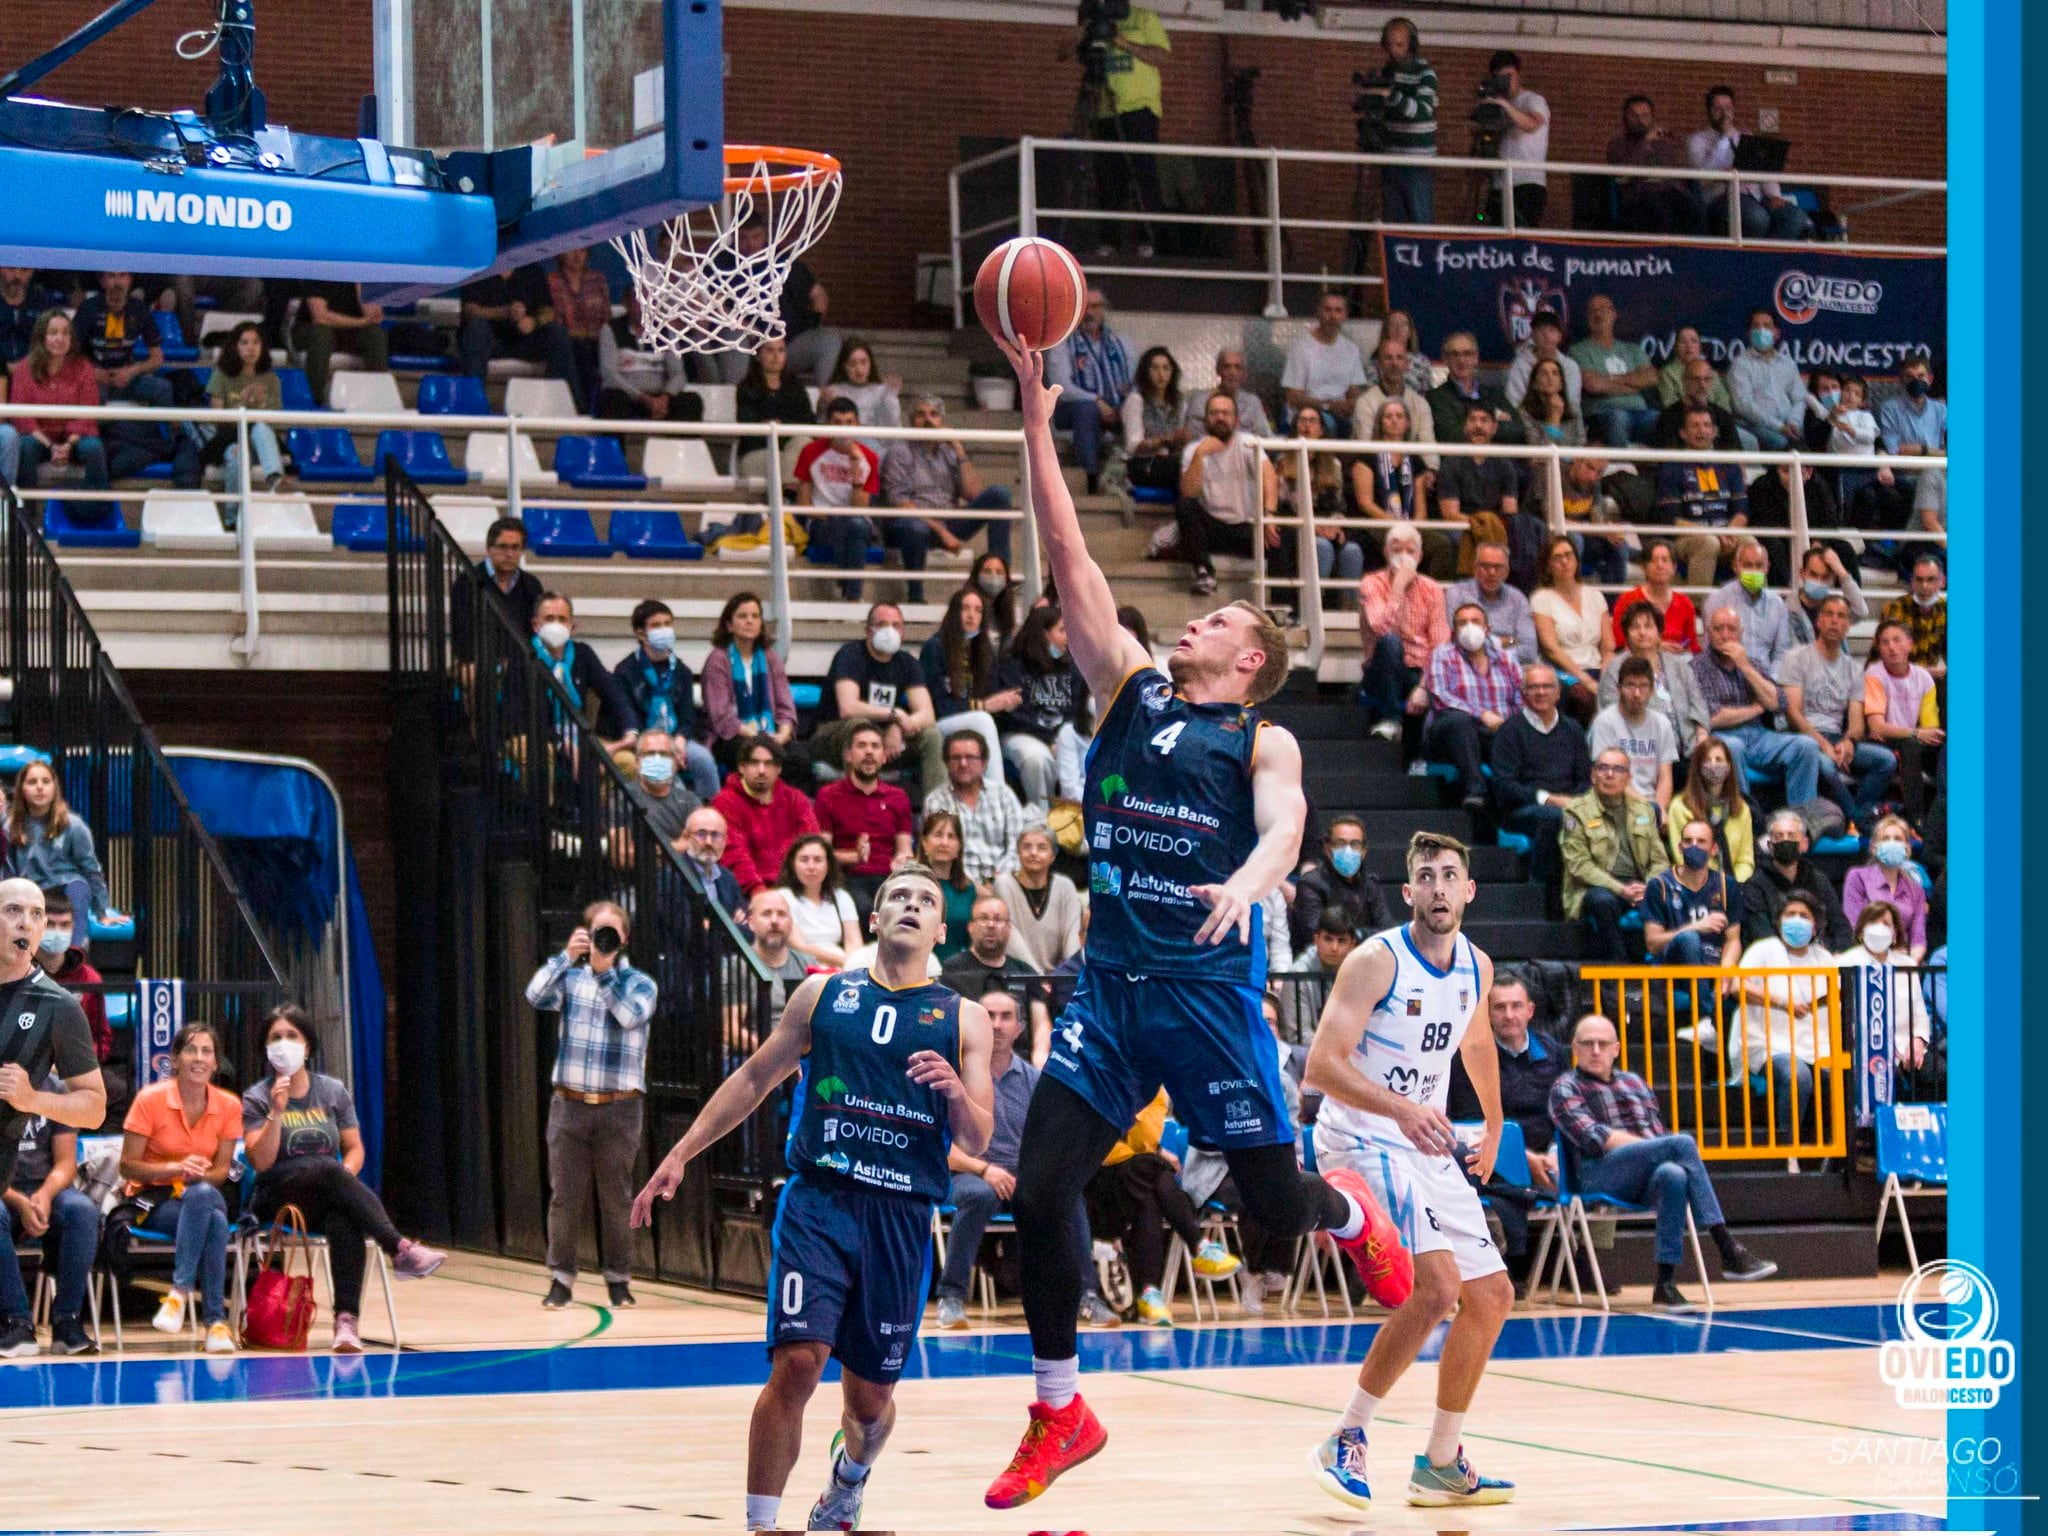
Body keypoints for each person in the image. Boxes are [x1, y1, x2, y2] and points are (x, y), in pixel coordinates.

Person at [986, 328, 1365, 1510]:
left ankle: (1348, 1208)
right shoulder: (1128, 692)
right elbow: (1067, 559)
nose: (1185, 626)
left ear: (1248, 657)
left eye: (1213, 625)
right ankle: (1059, 1408)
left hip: (1208, 1001)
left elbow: (1286, 826)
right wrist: (1038, 424)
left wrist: (1249, 887)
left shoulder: (1261, 734)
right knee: (1038, 1191)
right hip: (1109, 997)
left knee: (1274, 1221)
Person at [631, 866, 995, 1535]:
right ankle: (760, 1525)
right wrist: (680, 1153)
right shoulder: (821, 996)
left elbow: (980, 1133)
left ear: (942, 929)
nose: (910, 906)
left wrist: (953, 1093)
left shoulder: (963, 1018)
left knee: (869, 1403)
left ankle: (847, 1484)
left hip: (901, 1216)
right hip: (821, 1201)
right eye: (896, 898)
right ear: (876, 920)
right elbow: (754, 1076)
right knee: (798, 1363)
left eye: (924, 901)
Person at [1306, 831, 1515, 1510]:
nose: (1437, 888)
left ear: (1468, 890)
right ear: (1408, 892)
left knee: (1491, 1297)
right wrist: (1401, 1108)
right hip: (1361, 1134)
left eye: (1449, 875)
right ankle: (1347, 1436)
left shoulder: (1477, 967)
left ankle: (1441, 1460)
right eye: (1425, 876)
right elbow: (1321, 1067)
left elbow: (1477, 1041)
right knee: (1435, 1288)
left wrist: (1493, 1123)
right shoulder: (1375, 961)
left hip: (1423, 1139)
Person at [240, 1006, 444, 1352]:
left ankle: (346, 1322)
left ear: (308, 1045)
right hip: (277, 1197)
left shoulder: (332, 1091)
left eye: (292, 1036)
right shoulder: (256, 1097)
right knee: (325, 1167)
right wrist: (276, 1110)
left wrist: (341, 1176)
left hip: (324, 1192)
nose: (284, 1043)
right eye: (276, 1037)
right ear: (265, 1048)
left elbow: (354, 1149)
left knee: (344, 1216)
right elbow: (260, 1161)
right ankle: (399, 1248)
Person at [1550, 1014, 1777, 1311]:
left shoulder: (1634, 1082)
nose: (1595, 1050)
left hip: (1643, 1176)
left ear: (1616, 1048)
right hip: (1598, 1174)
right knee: (1680, 1143)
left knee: (1673, 1174)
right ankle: (1727, 1246)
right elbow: (1596, 1139)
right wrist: (1658, 1148)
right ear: (1574, 1048)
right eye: (1587, 1043)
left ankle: (1665, 1285)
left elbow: (1656, 1134)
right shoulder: (1566, 1087)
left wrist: (1658, 1148)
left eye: (1603, 1044)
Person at [937, 986, 1111, 1330]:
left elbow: (1051, 1142)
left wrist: (1037, 1174)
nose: (997, 1025)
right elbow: (938, 1148)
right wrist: (985, 1170)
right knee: (979, 1194)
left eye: (1006, 1017)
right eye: (989, 1016)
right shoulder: (952, 1078)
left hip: (1022, 1175)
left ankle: (1087, 1295)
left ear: (1020, 1028)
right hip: (966, 1173)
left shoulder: (1036, 1081)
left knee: (1067, 1194)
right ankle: (950, 1296)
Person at [526, 901, 659, 1310]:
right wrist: (566, 957)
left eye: (611, 933)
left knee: (616, 1196)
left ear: (624, 939)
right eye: (596, 931)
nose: (604, 940)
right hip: (569, 1104)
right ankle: (561, 1280)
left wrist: (604, 976)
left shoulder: (640, 983)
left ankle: (619, 1280)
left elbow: (628, 1016)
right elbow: (534, 995)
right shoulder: (570, 977)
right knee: (564, 1196)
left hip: (620, 1107)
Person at [121, 1022, 240, 1350]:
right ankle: (214, 1322)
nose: (198, 1058)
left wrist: (197, 1176)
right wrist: (177, 1167)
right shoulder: (150, 1099)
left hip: (201, 1194)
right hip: (153, 1200)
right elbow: (127, 1166)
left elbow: (221, 1172)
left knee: (205, 1198)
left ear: (215, 1063)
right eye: (190, 1050)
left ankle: (179, 1295)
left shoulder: (229, 1106)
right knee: (214, 1220)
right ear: (174, 1060)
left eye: (206, 1051)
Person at [1085, 1088, 1242, 1326]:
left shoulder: (1156, 1090)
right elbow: (1100, 1147)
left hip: (1133, 1181)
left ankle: (1149, 1293)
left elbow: (1145, 1140)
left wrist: (1134, 1123)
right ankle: (1197, 1246)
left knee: (1149, 1192)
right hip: (1092, 1186)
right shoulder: (1104, 1076)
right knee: (1154, 1169)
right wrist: (1147, 1149)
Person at [0, 878, 106, 1206]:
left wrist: (32, 1099)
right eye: (13, 910)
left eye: (36, 914)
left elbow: (94, 1109)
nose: (24, 922)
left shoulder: (58, 1006)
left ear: (43, 928)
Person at [0, 1062, 102, 1357]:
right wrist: (20, 1201)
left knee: (81, 1210)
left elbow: (66, 1162)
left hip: (46, 1191)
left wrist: (44, 1195)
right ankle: (16, 1322)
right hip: (5, 1192)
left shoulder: (55, 1088)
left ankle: (67, 1322)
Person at [1777, 596, 1897, 831]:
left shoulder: (1853, 668)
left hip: (1835, 737)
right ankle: (1861, 820)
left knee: (1887, 760)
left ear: (1848, 625)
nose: (1834, 621)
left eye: (1841, 616)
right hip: (1802, 738)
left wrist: (1849, 741)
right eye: (1829, 614)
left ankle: (1855, 815)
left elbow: (1856, 722)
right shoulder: (1796, 658)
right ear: (1818, 622)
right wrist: (1823, 744)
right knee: (1825, 764)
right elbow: (1792, 714)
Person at [880, 395, 1013, 598]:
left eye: (934, 415)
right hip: (911, 525)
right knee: (913, 527)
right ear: (911, 421)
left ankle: (1000, 577)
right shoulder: (899, 452)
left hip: (949, 523)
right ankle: (915, 596)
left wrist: (959, 449)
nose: (928, 420)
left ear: (941, 421)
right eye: (921, 415)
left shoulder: (949, 452)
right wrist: (942, 532)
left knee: (999, 495)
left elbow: (973, 494)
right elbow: (899, 502)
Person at [1693, 603, 1821, 808]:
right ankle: (1745, 815)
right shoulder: (1697, 667)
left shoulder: (1752, 662)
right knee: (1731, 747)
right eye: (1718, 629)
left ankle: (1803, 819)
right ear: (1708, 633)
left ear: (1741, 634)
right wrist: (1757, 708)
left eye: (1731, 629)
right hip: (1722, 736)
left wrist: (1745, 666)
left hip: (1759, 735)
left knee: (1806, 746)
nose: (1725, 635)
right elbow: (1714, 717)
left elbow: (1777, 702)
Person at [811, 602, 942, 793]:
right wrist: (893, 716)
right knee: (859, 726)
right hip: (833, 737)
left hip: (884, 741)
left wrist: (898, 726)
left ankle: (938, 814)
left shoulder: (907, 662)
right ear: (868, 631)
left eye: (896, 625)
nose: (890, 631)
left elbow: (927, 715)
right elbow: (848, 708)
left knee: (931, 736)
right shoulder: (850, 654)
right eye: (882, 624)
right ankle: (856, 807)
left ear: (903, 632)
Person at [1734, 894, 1834, 1141]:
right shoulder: (1763, 950)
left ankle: (1837, 1155)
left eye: (1804, 916)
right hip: (1768, 1045)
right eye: (1790, 915)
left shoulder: (1824, 958)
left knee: (1845, 1078)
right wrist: (1782, 1003)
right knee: (1797, 1074)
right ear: (1778, 922)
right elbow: (1739, 987)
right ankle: (1788, 1148)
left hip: (1817, 1047)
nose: (1797, 921)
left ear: (1815, 926)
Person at [1489, 664, 1590, 902]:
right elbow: (1504, 786)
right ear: (1522, 694)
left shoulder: (1573, 730)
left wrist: (1574, 802)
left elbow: (1585, 778)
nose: (1541, 692)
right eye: (1533, 687)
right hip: (1523, 809)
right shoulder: (1510, 731)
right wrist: (1548, 799)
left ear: (1558, 693)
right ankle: (1542, 898)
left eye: (1547, 686)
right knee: (1554, 818)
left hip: (1571, 805)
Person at [1561, 748, 1670, 961]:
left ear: (1628, 778)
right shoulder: (1575, 811)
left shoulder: (1644, 810)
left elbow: (1659, 860)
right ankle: (1622, 971)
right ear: (1593, 775)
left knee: (1671, 895)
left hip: (1639, 884)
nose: (1609, 774)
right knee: (1604, 902)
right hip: (1595, 886)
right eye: (1603, 768)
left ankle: (1667, 973)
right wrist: (1621, 890)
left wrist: (1649, 886)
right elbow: (1579, 865)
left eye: (1618, 769)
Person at [1086, 2, 1172, 256]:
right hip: (1105, 109)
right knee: (1108, 177)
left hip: (1140, 109)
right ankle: (1108, 242)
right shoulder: (1093, 17)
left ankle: (1149, 241)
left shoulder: (1143, 17)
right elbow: (1062, 52)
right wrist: (1084, 31)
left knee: (1143, 174)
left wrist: (1123, 42)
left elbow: (1162, 57)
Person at [611, 600, 720, 800]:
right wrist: (661, 747)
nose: (664, 630)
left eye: (668, 624)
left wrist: (678, 741)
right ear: (641, 634)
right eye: (656, 625)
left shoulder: (682, 671)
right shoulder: (625, 671)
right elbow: (627, 717)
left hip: (677, 737)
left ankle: (711, 811)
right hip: (641, 739)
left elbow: (687, 717)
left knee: (703, 760)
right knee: (664, 769)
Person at [1176, 390, 1279, 598]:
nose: (1220, 418)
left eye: (1226, 413)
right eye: (1214, 413)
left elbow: (1269, 476)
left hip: (1246, 527)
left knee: (1283, 538)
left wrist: (1269, 515)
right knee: (1184, 505)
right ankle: (1205, 574)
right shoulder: (1194, 449)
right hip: (1211, 528)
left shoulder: (1248, 442)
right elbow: (1188, 492)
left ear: (1236, 419)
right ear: (1206, 419)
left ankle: (1285, 607)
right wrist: (1200, 455)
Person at [1426, 603, 1525, 815]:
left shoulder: (1506, 659)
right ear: (1454, 631)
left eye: (1475, 621)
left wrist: (1507, 724)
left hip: (1499, 730)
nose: (1469, 627)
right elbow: (1440, 696)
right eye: (1463, 623)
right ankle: (1475, 790)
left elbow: (1521, 696)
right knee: (1458, 721)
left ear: (1487, 629)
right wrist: (1482, 714)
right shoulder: (1443, 654)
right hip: (1453, 732)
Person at [1358, 523, 1448, 742]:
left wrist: (1424, 686)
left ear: (1420, 555)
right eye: (1397, 550)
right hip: (1380, 670)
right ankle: (1390, 720)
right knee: (1390, 642)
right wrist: (1397, 588)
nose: (1404, 556)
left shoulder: (1432, 589)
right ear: (1386, 552)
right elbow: (1381, 628)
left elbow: (1440, 644)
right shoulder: (1371, 584)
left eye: (1410, 551)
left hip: (1417, 672)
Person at [1686, 86, 1812, 241]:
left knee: (1795, 218)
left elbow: (1764, 170)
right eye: (1718, 108)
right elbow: (1701, 179)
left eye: (1728, 108)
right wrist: (1725, 138)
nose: (1724, 113)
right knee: (1758, 219)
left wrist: (1774, 195)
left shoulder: (1745, 137)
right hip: (1721, 200)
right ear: (1709, 111)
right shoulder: (1697, 140)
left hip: (1755, 196)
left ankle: (1766, 260)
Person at [992, 604, 1087, 809]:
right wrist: (1050, 739)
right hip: (1022, 735)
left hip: (1061, 737)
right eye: (1062, 631)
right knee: (1037, 759)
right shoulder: (1013, 665)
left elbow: (1078, 711)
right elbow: (1015, 715)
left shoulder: (1072, 667)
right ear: (1044, 634)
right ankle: (1043, 823)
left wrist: (1063, 740)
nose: (1067, 638)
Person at [816, 724, 916, 916]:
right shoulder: (828, 795)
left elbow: (904, 849)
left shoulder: (898, 797)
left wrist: (903, 861)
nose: (869, 751)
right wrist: (854, 856)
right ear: (848, 755)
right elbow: (822, 852)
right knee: (865, 908)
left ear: (884, 756)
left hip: (889, 876)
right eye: (862, 746)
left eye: (875, 746)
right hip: (847, 876)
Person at [9, 310, 110, 492]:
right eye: (53, 333)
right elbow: (22, 419)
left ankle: (97, 507)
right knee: (25, 445)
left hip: (72, 439)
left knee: (93, 447)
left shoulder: (84, 367)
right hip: (39, 438)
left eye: (65, 333)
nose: (60, 338)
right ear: (42, 337)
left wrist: (67, 445)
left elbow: (88, 415)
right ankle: (25, 513)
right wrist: (51, 446)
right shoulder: (24, 368)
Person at [1044, 289, 1132, 494]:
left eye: (1095, 307)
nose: (1089, 313)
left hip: (1115, 407)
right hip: (1071, 410)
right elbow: (1062, 387)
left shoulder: (1122, 343)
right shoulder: (1062, 342)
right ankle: (1090, 477)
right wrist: (1097, 401)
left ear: (1104, 311)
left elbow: (1135, 379)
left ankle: (1132, 475)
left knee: (1135, 402)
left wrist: (1122, 402)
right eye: (1084, 307)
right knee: (1087, 408)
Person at [1598, 601, 1711, 762]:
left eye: (1648, 626)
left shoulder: (1679, 665)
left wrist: (1701, 735)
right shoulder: (1615, 669)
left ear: (1659, 633)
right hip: (1641, 751)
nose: (1642, 632)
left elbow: (1698, 705)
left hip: (1687, 748)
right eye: (1635, 627)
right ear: (1627, 634)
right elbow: (1612, 715)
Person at [793, 397, 881, 601]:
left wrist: (856, 468)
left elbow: (860, 508)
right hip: (821, 522)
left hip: (856, 524)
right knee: (849, 523)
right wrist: (834, 516)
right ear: (828, 424)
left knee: (856, 524)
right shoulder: (810, 451)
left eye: (849, 422)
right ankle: (852, 595)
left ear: (857, 424)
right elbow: (804, 505)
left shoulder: (869, 457)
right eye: (837, 423)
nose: (843, 429)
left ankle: (850, 593)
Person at [1837, 899, 1933, 1082]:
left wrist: (1918, 1042)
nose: (1879, 928)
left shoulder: (1907, 965)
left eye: (1886, 924)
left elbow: (1920, 1013)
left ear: (1895, 934)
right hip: (1863, 1050)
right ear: (1861, 932)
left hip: (1905, 1045)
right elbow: (1840, 1015)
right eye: (1873, 922)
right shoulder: (1844, 964)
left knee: (1939, 1073)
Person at [1276, 405, 1366, 599]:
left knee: (1352, 550)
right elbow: (1283, 506)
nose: (1306, 426)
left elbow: (1339, 505)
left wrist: (1336, 524)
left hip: (1327, 527)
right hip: (1297, 528)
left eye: (1312, 421)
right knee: (1322, 547)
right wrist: (1314, 527)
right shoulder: (1283, 462)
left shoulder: (1333, 464)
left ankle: (1352, 613)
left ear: (1322, 429)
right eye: (1302, 420)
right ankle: (1315, 606)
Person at [702, 592, 798, 772]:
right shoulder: (718, 660)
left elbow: (786, 706)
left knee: (799, 758)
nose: (750, 621)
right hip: (731, 736)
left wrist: (783, 734)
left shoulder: (771, 658)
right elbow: (721, 716)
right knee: (751, 755)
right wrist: (758, 737)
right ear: (729, 625)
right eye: (742, 616)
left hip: (770, 734)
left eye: (755, 616)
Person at [204, 321, 287, 528]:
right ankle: (232, 519)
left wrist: (257, 407)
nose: (251, 348)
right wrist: (242, 404)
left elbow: (275, 424)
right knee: (236, 455)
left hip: (261, 443)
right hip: (231, 438)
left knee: (259, 426)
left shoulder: (271, 379)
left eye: (256, 342)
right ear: (235, 347)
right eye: (245, 342)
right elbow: (218, 421)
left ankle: (275, 477)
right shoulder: (221, 375)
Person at [711, 738, 818, 898]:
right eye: (754, 763)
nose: (762, 770)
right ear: (742, 767)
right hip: (748, 894)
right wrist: (759, 893)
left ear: (778, 768)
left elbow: (812, 845)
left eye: (768, 764)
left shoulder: (796, 799)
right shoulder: (725, 802)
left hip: (797, 889)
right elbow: (734, 856)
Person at [1655, 406, 1749, 588]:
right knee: (1709, 542)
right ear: (1683, 433)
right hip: (1686, 537)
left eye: (1706, 425)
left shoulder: (1729, 464)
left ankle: (1755, 604)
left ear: (1714, 432)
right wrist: (1713, 533)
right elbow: (1671, 519)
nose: (1702, 431)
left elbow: (1741, 512)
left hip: (1726, 532)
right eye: (1695, 426)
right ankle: (1699, 608)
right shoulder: (1672, 466)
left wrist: (1729, 531)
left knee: (1751, 545)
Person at [922, 730, 1028, 886]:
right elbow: (937, 853)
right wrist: (973, 887)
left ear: (984, 763)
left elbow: (1018, 845)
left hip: (1004, 882)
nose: (963, 764)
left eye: (970, 757)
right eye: (956, 758)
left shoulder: (1003, 795)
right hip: (957, 885)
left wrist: (998, 880)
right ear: (946, 763)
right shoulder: (936, 801)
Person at [1863, 619, 1943, 823]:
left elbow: (1930, 726)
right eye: (1885, 642)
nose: (1891, 647)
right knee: (1911, 746)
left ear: (1910, 644)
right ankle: (1917, 819)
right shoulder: (1874, 674)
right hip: (1882, 739)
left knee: (1945, 748)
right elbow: (1877, 726)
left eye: (1897, 640)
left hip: (1911, 738)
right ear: (1879, 648)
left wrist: (1926, 735)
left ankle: (1944, 816)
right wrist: (1916, 733)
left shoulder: (1924, 677)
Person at [456, 262, 578, 393]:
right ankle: (471, 399)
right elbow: (470, 311)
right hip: (490, 341)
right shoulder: (478, 269)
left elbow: (548, 310)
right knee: (477, 328)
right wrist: (504, 312)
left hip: (524, 340)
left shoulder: (531, 269)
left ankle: (568, 403)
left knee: (557, 332)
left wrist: (534, 322)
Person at [1361, 17, 1439, 224]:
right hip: (1391, 160)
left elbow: (1422, 111)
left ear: (1412, 44)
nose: (1394, 50)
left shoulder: (1425, 73)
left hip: (1417, 163)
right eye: (1389, 45)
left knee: (1420, 223)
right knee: (1393, 226)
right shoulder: (1387, 73)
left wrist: (1391, 95)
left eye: (1399, 44)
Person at [1742, 809, 1852, 953]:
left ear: (1804, 844)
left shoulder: (1819, 880)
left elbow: (1841, 927)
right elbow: (1761, 934)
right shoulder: (1755, 885)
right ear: (1770, 846)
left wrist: (1837, 954)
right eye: (1779, 836)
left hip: (1820, 960)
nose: (1785, 840)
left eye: (1791, 835)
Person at [1435, 411, 1525, 585]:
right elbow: (1450, 514)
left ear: (1494, 427)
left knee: (1519, 534)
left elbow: (1510, 511)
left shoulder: (1505, 465)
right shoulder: (1451, 463)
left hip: (1496, 523)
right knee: (1457, 539)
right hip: (1462, 523)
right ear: (1464, 426)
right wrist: (1482, 525)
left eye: (1484, 421)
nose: (1478, 426)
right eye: (1472, 420)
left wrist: (1492, 525)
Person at [1644, 818, 1744, 973]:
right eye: (1688, 841)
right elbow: (1652, 944)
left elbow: (1733, 940)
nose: (1694, 846)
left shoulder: (1727, 884)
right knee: (1689, 938)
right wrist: (1695, 927)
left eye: (1701, 841)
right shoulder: (1659, 884)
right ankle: (1704, 998)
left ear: (1713, 849)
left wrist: (1726, 971)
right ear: (1680, 847)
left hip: (1713, 965)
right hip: (1673, 969)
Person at [1531, 535, 1612, 723]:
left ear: (1576, 559)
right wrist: (1587, 680)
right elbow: (1552, 650)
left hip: (1599, 667)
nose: (1565, 562)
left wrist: (1606, 677)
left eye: (1569, 555)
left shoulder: (1595, 595)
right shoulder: (1541, 598)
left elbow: (1608, 646)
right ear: (1548, 565)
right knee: (1582, 697)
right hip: (1565, 670)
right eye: (1557, 558)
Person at [1290, 816, 1393, 956]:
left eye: (1355, 844)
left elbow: (1387, 931)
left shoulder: (1370, 883)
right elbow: (1316, 934)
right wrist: (1359, 936)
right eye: (1340, 843)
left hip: (1365, 962)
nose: (1348, 850)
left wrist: (1356, 935)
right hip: (1320, 967)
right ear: (1327, 848)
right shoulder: (1310, 884)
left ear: (1364, 851)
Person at [1591, 656, 1680, 811]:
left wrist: (1660, 810)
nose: (1637, 693)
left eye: (1643, 686)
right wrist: (1648, 809)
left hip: (1652, 804)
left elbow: (1665, 777)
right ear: (1618, 689)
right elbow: (1607, 778)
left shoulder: (1662, 723)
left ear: (1652, 690)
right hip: (1616, 803)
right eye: (1630, 685)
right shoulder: (1605, 722)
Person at [1570, 295, 1660, 448]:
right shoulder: (1579, 350)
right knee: (1619, 417)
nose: (1599, 314)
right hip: (1602, 414)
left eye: (1604, 309)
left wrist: (1609, 379)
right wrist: (1632, 383)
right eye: (1594, 310)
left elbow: (1651, 378)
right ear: (1587, 317)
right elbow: (1593, 385)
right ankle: (1622, 467)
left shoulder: (1632, 350)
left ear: (1614, 314)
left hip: (1640, 412)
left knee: (1660, 418)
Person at [1666, 737, 1755, 884]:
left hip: (1734, 885)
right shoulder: (1680, 806)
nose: (1714, 765)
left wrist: (1731, 885)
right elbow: (1681, 857)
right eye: (1707, 760)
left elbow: (1745, 860)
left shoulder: (1741, 808)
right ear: (1698, 766)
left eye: (1719, 759)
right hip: (1694, 884)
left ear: (1729, 766)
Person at [1842, 815, 1930, 962]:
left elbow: (1918, 939)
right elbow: (1853, 925)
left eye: (1897, 839)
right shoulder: (1857, 877)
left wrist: (1908, 965)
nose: (1892, 843)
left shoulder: (1916, 891)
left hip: (1903, 962)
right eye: (1886, 838)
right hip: (1865, 959)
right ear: (1874, 847)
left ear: (1908, 848)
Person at [1704, 539, 1795, 679]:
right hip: (1728, 678)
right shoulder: (1717, 600)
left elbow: (1781, 653)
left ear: (1767, 568)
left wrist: (1770, 681)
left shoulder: (1777, 604)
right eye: (1748, 565)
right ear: (1735, 566)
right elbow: (1709, 650)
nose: (1754, 571)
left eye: (1759, 566)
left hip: (1766, 678)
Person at [997, 826, 1083, 972]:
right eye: (1027, 847)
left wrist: (1067, 975)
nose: (1033, 853)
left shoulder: (1065, 886)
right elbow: (1012, 937)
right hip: (1018, 973)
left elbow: (1072, 935)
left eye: (1042, 848)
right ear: (1018, 852)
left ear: (1053, 856)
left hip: (1059, 975)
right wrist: (1038, 978)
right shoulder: (1004, 884)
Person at [1607, 94, 1697, 234]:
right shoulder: (1617, 145)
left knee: (1693, 206)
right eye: (1634, 116)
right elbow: (1623, 173)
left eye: (1645, 115)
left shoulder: (1662, 143)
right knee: (1659, 207)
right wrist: (1646, 142)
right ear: (1625, 119)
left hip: (1669, 193)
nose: (1640, 120)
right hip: (1638, 197)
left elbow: (1673, 171)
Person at [291, 280, 390, 405]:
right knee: (322, 335)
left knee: (375, 334)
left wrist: (361, 284)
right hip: (311, 330)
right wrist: (362, 322)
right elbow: (320, 317)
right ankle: (314, 401)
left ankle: (378, 400)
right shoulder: (318, 272)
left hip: (350, 332)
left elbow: (374, 317)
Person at [1282, 292, 1368, 436]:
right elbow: (1293, 397)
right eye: (1327, 310)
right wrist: (1328, 406)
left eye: (1338, 311)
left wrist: (1351, 404)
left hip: (1341, 416)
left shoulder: (1351, 349)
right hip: (1308, 416)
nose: (1332, 316)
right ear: (1318, 313)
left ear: (1345, 315)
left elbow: (1354, 392)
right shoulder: (1301, 349)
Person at [734, 336, 816, 485]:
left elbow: (808, 421)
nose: (776, 356)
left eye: (781, 350)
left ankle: (786, 496)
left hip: (790, 449)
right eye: (770, 350)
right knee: (791, 460)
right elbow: (748, 430)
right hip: (757, 453)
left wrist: (778, 426)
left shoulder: (795, 386)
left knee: (803, 442)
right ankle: (790, 500)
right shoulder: (747, 387)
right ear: (759, 355)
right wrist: (782, 429)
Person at [774, 834, 860, 971]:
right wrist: (845, 962)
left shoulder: (841, 896)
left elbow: (854, 942)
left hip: (842, 967)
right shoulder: (783, 897)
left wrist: (854, 966)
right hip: (803, 967)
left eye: (818, 860)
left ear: (828, 865)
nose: (811, 866)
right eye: (804, 860)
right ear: (793, 864)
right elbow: (799, 946)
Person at [1485, 50, 1550, 228]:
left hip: (1526, 183)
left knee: (1522, 235)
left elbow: (1532, 124)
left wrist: (1504, 104)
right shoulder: (1496, 105)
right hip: (1501, 183)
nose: (1507, 81)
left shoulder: (1533, 99)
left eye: (1510, 76)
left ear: (1518, 74)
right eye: (1501, 78)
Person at [1445, 542, 1538, 666]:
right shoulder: (1458, 594)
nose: (1492, 572)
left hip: (1509, 668)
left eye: (1498, 567)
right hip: (1467, 666)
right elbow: (1456, 642)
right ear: (1475, 568)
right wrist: (1509, 640)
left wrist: (1485, 651)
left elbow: (1529, 650)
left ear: (1507, 571)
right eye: (1485, 566)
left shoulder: (1517, 598)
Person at [1728, 309, 1807, 453]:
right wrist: (1779, 427)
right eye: (1756, 326)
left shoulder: (1788, 363)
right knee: (1782, 444)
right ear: (1749, 333)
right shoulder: (1740, 364)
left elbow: (1799, 399)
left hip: (1789, 426)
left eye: (1767, 326)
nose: (1761, 330)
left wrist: (1794, 423)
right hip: (1757, 426)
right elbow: (1743, 405)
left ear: (1776, 333)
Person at [546, 246, 611, 409]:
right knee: (580, 349)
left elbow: (606, 316)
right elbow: (555, 321)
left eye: (582, 251)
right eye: (572, 250)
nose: (577, 255)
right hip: (570, 341)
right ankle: (581, 406)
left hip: (598, 339)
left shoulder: (597, 279)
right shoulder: (551, 281)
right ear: (560, 253)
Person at [1427, 332, 1519, 446]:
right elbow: (1451, 436)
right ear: (1445, 359)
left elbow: (1517, 431)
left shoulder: (1495, 394)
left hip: (1497, 461)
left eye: (1467, 354)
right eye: (1454, 354)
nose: (1461, 360)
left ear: (1476, 358)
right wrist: (1492, 422)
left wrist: (1470, 427)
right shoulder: (1436, 398)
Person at [1121, 345, 1190, 496]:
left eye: (1166, 368)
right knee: (1183, 466)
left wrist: (1182, 441)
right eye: (1155, 368)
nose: (1161, 374)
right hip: (1143, 465)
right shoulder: (1136, 400)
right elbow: (1133, 447)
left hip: (1169, 460)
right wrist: (1163, 441)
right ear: (1146, 372)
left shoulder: (1179, 402)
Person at [1610, 541, 1699, 655]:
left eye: (1665, 560)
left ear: (1674, 568)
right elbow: (1619, 645)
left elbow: (1692, 645)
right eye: (1654, 560)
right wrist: (1655, 647)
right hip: (1637, 661)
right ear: (1644, 567)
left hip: (1676, 663)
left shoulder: (1684, 603)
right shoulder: (1627, 600)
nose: (1660, 565)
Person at [819, 337, 903, 454]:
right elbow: (822, 431)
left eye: (864, 362)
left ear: (870, 363)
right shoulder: (833, 392)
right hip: (843, 449)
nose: (859, 369)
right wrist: (826, 405)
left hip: (877, 450)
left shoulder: (882, 391)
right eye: (853, 364)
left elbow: (893, 431)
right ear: (844, 366)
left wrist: (891, 398)